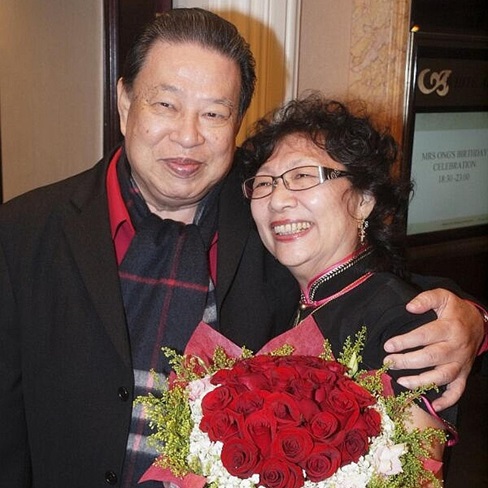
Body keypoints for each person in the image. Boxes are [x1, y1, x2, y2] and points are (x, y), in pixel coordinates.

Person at [0, 8, 484, 488]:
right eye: (166, 104)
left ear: (236, 123)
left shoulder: (269, 221)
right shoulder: (25, 231)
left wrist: (471, 318)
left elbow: (374, 285)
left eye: (214, 113)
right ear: (125, 103)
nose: (188, 136)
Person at [240, 93, 461, 481]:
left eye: (302, 176)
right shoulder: (274, 300)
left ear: (363, 200)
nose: (277, 199)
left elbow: (417, 475)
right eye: (264, 182)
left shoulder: (404, 322)